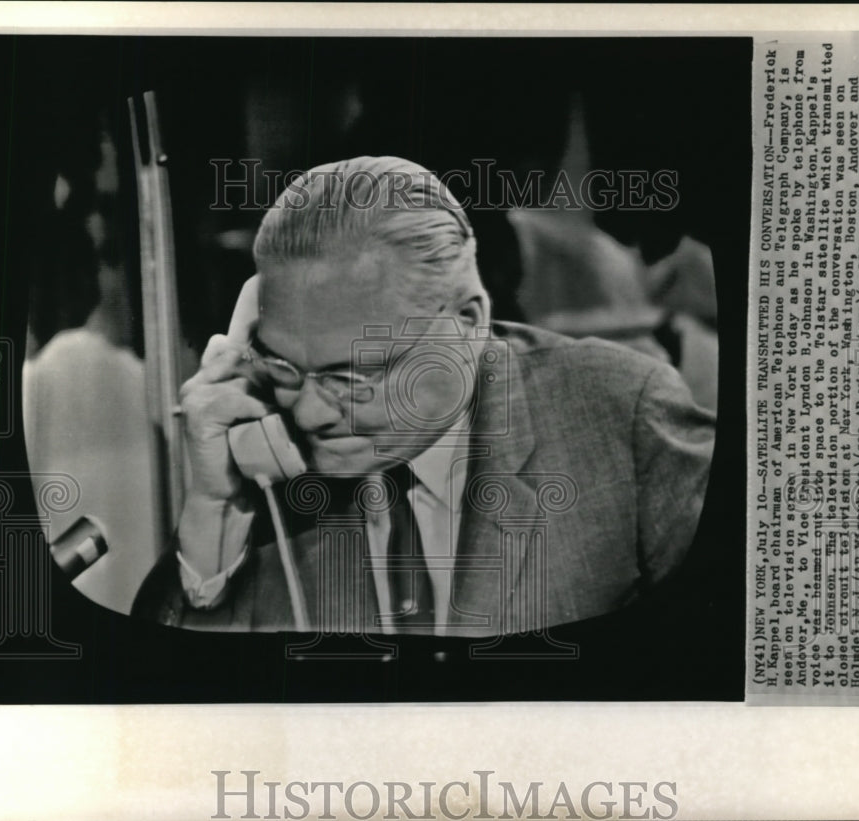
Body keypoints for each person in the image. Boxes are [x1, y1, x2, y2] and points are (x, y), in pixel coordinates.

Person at [132, 156, 715, 637]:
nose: (309, 413)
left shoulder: (617, 413)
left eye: (357, 373)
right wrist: (213, 510)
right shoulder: (263, 472)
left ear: (468, 322)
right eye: (285, 367)